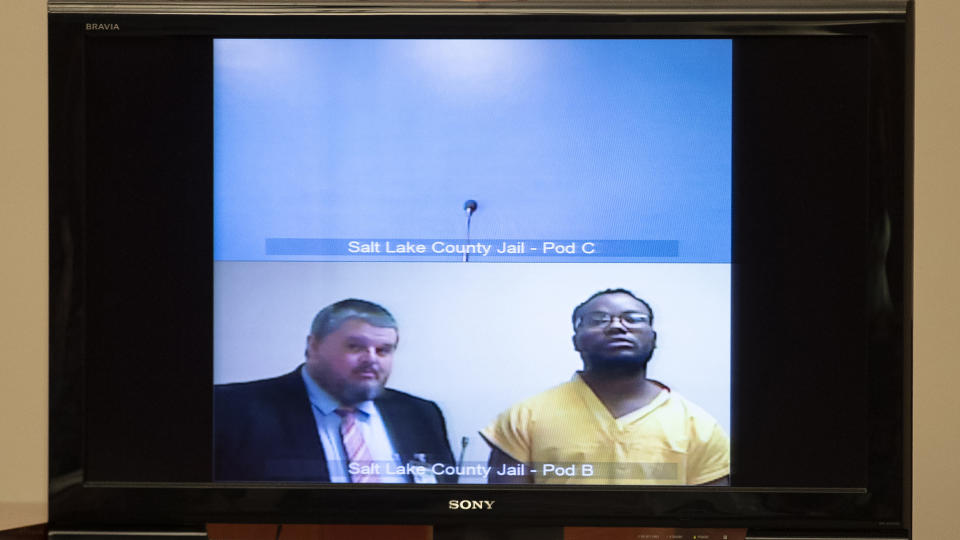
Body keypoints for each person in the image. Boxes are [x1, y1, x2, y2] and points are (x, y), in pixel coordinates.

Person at [480, 289, 730, 485]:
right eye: (598, 319)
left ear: (653, 338)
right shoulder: (523, 418)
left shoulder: (699, 426)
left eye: (633, 319)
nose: (617, 326)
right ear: (576, 340)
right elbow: (505, 517)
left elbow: (712, 523)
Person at [215, 299, 455, 483]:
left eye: (383, 350)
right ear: (314, 346)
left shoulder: (421, 414)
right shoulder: (233, 409)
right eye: (355, 347)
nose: (371, 360)